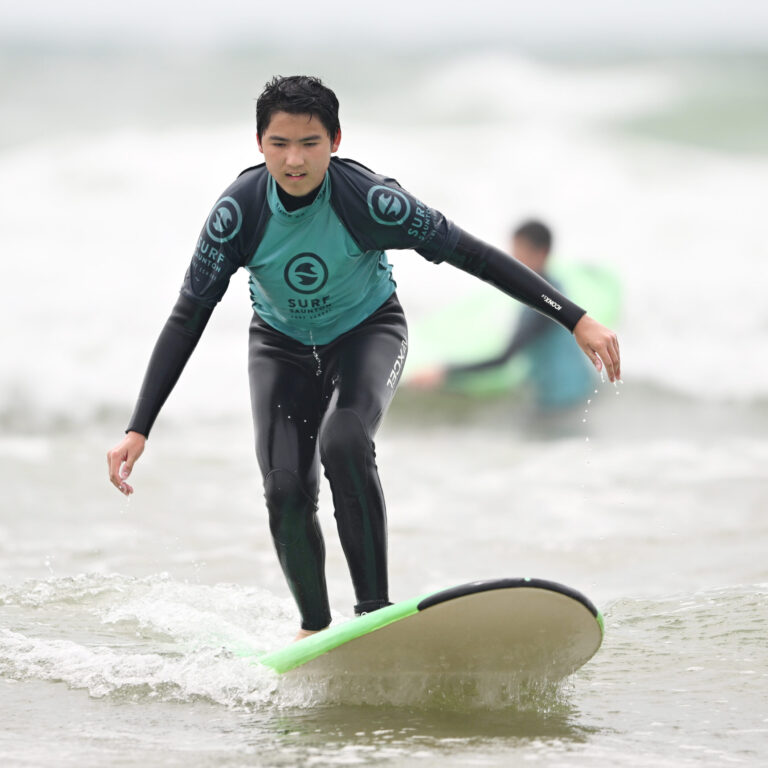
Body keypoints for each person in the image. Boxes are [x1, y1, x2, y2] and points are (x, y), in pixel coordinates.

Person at [107, 76, 620, 642]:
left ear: (335, 140)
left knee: (346, 440)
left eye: (310, 143)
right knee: (283, 489)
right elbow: (188, 315)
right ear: (259, 144)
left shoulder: (371, 201)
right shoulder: (238, 214)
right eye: (280, 143)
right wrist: (139, 426)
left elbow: (471, 254)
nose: (295, 159)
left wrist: (574, 317)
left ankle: (374, 611)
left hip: (368, 332)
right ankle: (315, 632)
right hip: (279, 347)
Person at [409, 219, 596, 409]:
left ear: (542, 254)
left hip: (562, 401)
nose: (511, 261)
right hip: (577, 390)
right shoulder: (553, 289)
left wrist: (446, 372)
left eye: (520, 252)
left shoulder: (542, 308)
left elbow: (504, 358)